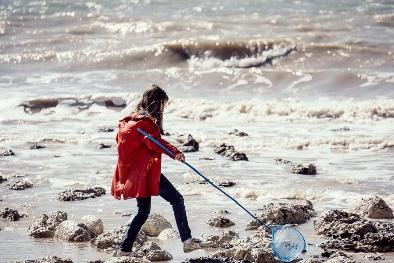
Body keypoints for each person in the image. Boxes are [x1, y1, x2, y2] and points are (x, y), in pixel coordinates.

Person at [111, 84, 202, 256]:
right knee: (177, 199)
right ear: (157, 103)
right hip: (144, 174)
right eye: (162, 105)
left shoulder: (127, 122)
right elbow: (156, 143)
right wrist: (176, 153)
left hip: (133, 174)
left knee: (143, 212)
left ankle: (124, 249)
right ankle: (187, 241)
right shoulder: (145, 124)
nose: (163, 109)